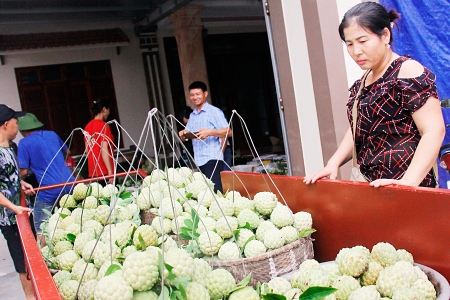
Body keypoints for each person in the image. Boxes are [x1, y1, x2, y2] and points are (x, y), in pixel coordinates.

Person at [304, 2, 445, 188]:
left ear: (385, 35)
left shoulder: (406, 71)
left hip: (408, 190)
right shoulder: (364, 81)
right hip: (373, 187)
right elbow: (357, 127)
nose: (356, 51)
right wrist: (334, 163)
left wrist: (408, 182)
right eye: (350, 44)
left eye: (362, 41)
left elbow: (434, 130)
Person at [17, 113, 75, 239]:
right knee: (73, 222)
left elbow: (24, 172)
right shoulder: (52, 134)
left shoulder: (24, 143)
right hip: (71, 184)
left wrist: (17, 181)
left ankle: (42, 253)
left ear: (21, 129)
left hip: (49, 189)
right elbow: (67, 152)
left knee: (41, 228)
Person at [0, 104, 36, 300]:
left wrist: (21, 183)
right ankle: (30, 297)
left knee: (32, 256)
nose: (18, 126)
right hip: (10, 219)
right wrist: (13, 207)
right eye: (16, 122)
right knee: (22, 263)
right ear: (6, 125)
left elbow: (9, 176)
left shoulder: (11, 147)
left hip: (23, 211)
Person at [179, 81, 232, 192]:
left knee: (215, 192)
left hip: (212, 159)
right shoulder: (193, 115)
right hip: (199, 161)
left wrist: (210, 132)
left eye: (198, 94)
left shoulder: (214, 112)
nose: (195, 97)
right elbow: (187, 134)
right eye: (192, 95)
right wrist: (183, 135)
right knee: (205, 194)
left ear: (205, 94)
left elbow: (229, 132)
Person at [84, 99, 115, 184]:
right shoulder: (104, 126)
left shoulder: (87, 127)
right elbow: (104, 149)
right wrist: (110, 172)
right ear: (104, 110)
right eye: (108, 110)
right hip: (105, 172)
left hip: (93, 173)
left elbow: (87, 150)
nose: (108, 112)